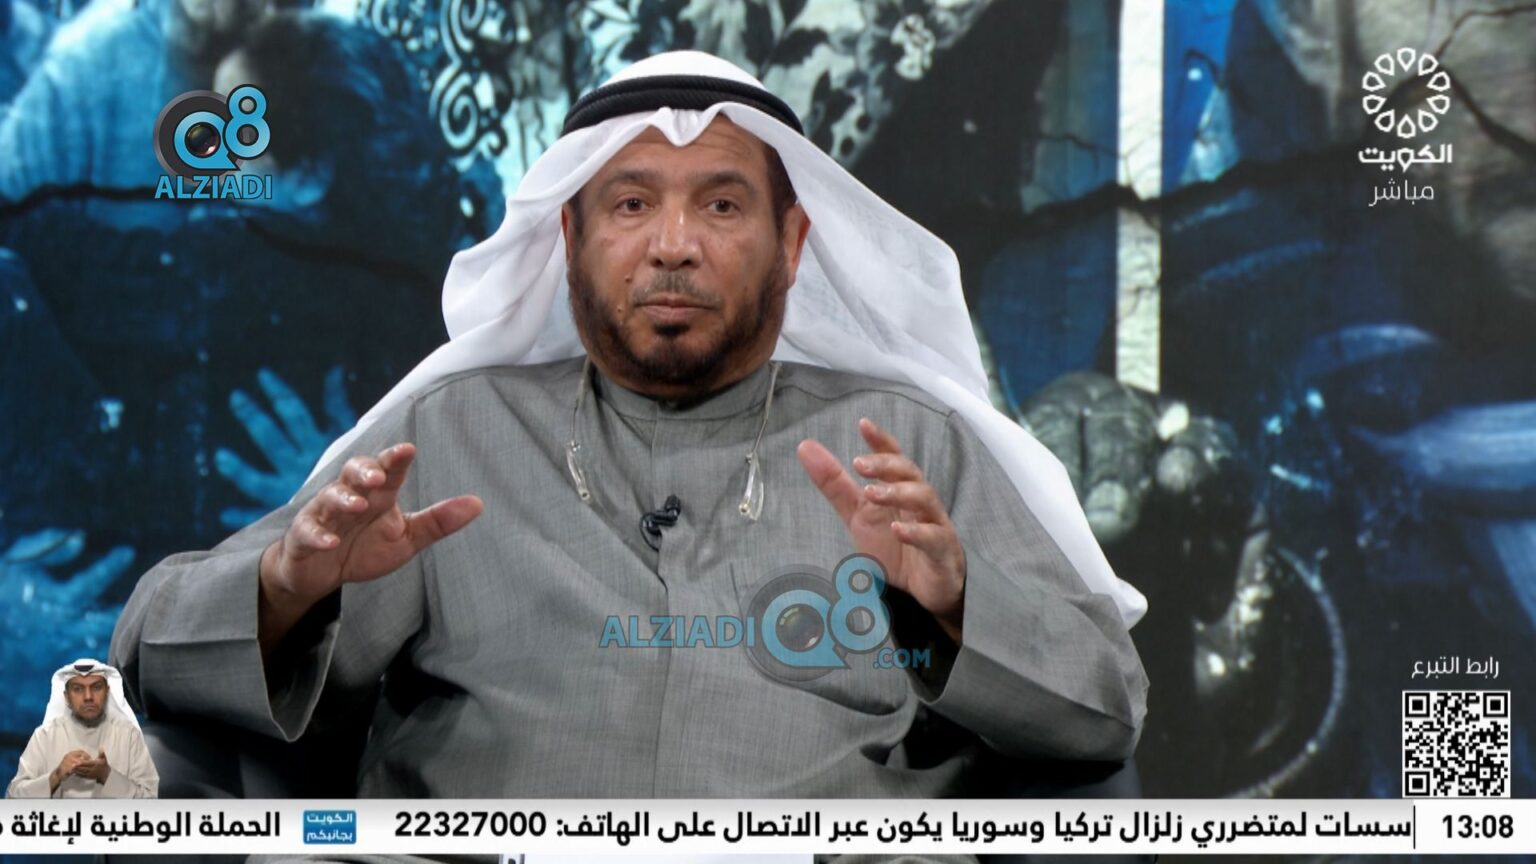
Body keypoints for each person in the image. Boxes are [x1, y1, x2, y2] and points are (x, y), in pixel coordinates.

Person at [111, 51, 1148, 802]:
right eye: (631, 204)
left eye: (723, 207)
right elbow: (148, 651)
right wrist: (288, 588)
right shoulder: (450, 433)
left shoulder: (908, 447)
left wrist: (954, 609)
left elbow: (1105, 708)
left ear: (793, 243)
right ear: (567, 237)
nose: (673, 247)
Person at [7, 658, 158, 798]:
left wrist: (107, 775)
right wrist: (56, 776)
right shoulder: (45, 736)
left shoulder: (129, 735)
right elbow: (13, 797)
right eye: (78, 689)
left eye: (96, 687)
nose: (88, 697)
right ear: (66, 696)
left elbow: (151, 800)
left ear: (107, 692)